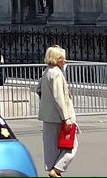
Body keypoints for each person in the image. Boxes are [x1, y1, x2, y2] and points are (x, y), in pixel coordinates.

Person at [38, 45, 77, 176]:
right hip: (59, 116)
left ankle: (52, 168)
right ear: (56, 58)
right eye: (62, 58)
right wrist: (66, 117)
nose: (65, 60)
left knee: (51, 145)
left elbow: (39, 90)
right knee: (71, 145)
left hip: (47, 115)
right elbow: (59, 97)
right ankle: (57, 170)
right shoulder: (56, 73)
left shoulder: (46, 71)